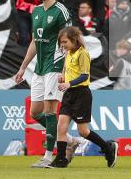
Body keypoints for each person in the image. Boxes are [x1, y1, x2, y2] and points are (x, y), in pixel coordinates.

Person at [13, 0, 80, 169]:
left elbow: (70, 41)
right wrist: (23, 66)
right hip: (39, 67)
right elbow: (35, 41)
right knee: (35, 113)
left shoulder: (61, 11)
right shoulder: (35, 11)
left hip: (55, 65)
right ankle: (68, 139)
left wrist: (66, 68)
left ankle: (48, 156)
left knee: (50, 112)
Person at [49, 27, 117, 169]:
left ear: (74, 40)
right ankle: (60, 159)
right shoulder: (68, 53)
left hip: (82, 94)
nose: (63, 45)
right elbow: (66, 68)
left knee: (83, 131)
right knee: (61, 126)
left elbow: (84, 76)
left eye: (65, 42)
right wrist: (63, 76)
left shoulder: (83, 54)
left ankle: (108, 147)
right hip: (68, 94)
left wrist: (69, 83)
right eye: (61, 42)